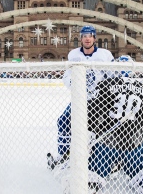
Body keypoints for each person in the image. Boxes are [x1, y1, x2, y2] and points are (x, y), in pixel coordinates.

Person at [86, 55, 143, 193]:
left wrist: (90, 134)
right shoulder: (141, 87)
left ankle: (94, 182)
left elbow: (92, 112)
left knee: (92, 178)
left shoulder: (106, 84)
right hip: (134, 146)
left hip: (106, 146)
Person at [49, 25, 114, 168]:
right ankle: (64, 156)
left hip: (101, 100)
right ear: (80, 39)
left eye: (90, 36)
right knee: (63, 122)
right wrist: (74, 85)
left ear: (94, 38)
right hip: (80, 99)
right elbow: (67, 75)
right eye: (84, 36)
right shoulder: (73, 55)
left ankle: (105, 157)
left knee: (100, 128)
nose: (87, 39)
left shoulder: (105, 55)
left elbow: (113, 75)